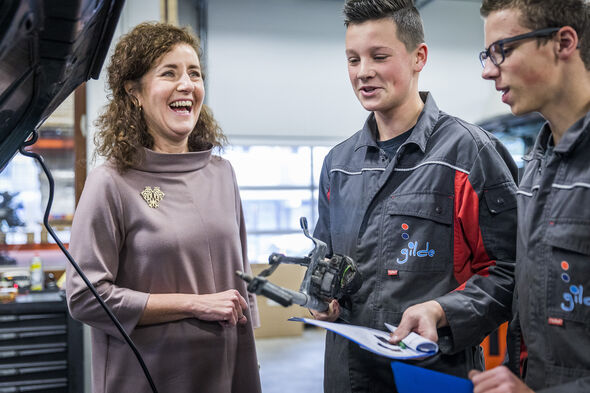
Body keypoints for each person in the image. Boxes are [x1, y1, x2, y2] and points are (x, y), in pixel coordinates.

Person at [310, 0, 519, 392]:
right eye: (352, 60)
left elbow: (509, 271)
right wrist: (320, 295)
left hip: (432, 374)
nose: (363, 73)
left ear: (418, 56)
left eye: (379, 56)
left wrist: (442, 310)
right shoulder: (338, 164)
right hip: (347, 376)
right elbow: (325, 258)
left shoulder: (468, 155)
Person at [65, 22, 261, 393]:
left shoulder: (222, 174)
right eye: (169, 73)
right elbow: (84, 296)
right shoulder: (111, 182)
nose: (186, 84)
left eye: (195, 74)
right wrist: (193, 304)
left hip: (227, 371)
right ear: (134, 92)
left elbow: (242, 281)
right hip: (148, 376)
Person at [469, 1, 590, 392]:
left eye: (502, 50)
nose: (489, 71)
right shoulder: (537, 168)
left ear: (563, 42)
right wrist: (443, 312)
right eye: (487, 55)